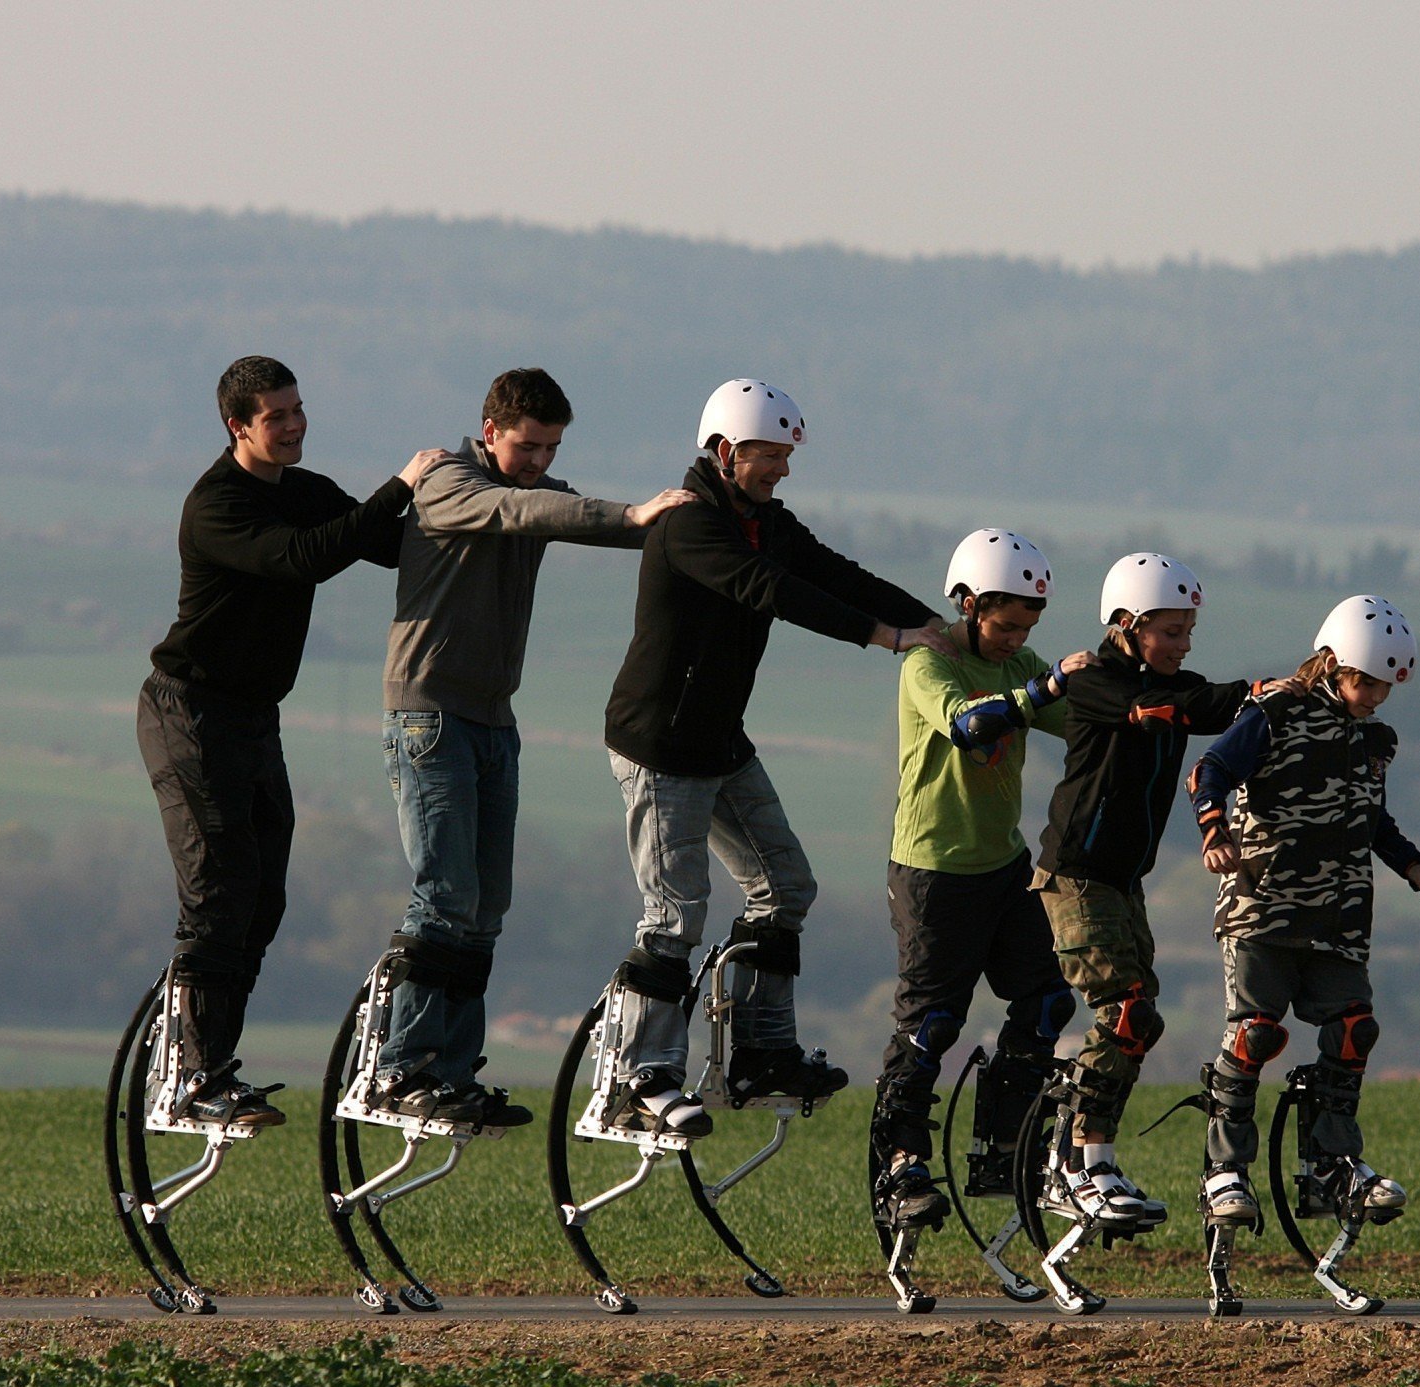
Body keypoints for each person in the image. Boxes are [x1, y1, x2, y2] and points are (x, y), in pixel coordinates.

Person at [599, 378, 951, 1135]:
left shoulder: (766, 522)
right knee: (675, 913)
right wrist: (884, 639)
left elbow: (837, 575)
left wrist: (929, 622)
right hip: (662, 749)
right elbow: (772, 591)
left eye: (787, 457)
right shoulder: (691, 527)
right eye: (769, 456)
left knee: (786, 886)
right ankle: (640, 1078)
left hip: (722, 743)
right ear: (726, 453)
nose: (782, 471)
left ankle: (758, 1054)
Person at [366, 368, 690, 1129]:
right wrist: (633, 512)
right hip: (428, 716)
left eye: (549, 448)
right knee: (442, 894)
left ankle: (452, 1070)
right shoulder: (449, 481)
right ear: (489, 432)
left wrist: (667, 523)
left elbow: (560, 511)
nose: (537, 461)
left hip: (491, 722)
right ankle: (400, 1066)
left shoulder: (532, 490)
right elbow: (521, 509)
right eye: (525, 445)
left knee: (485, 907)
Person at [137, 355, 439, 1127]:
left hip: (252, 718)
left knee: (261, 898)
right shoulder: (218, 506)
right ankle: (188, 1077)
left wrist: (488, 500)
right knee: (220, 890)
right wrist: (401, 480)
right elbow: (307, 556)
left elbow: (385, 542)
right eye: (278, 416)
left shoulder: (302, 491)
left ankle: (212, 1065)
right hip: (190, 713)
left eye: (299, 408)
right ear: (239, 426)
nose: (296, 423)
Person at [1185, 594, 1420, 1231]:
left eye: (1385, 686)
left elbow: (1368, 817)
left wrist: (1412, 863)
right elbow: (1210, 769)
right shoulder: (1276, 712)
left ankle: (1330, 1163)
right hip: (1265, 908)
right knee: (1256, 1035)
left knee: (1355, 1030)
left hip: (1340, 916)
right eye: (1365, 682)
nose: (1374, 697)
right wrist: (1214, 830)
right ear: (1332, 663)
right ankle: (1224, 1170)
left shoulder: (1370, 738)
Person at [1032, 552, 1273, 1228]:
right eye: (1170, 631)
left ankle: (1070, 1157)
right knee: (1126, 1011)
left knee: (1142, 1022)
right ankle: (1083, 1165)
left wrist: (1265, 695)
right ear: (1128, 624)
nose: (1182, 644)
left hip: (1120, 881)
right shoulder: (1097, 683)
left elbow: (1200, 699)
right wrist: (1252, 692)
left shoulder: (1176, 683)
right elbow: (1166, 708)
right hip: (1075, 875)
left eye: (1188, 631)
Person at [868, 529, 1086, 1233]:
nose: (1015, 639)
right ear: (966, 604)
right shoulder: (931, 664)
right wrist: (1043, 689)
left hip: (1003, 868)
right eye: (1004, 624)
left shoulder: (1020, 662)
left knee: (1047, 1005)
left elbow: (1080, 723)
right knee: (931, 1026)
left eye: (1027, 627)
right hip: (933, 873)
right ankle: (901, 1164)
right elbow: (969, 725)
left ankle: (1001, 1141)